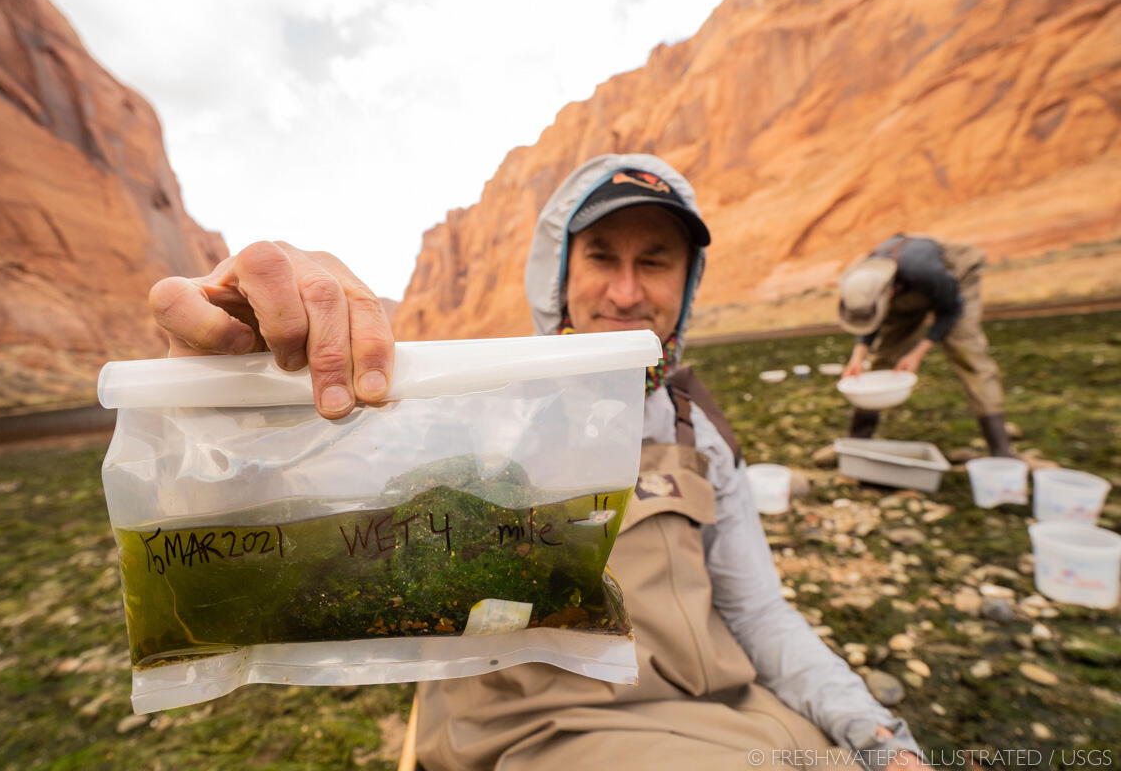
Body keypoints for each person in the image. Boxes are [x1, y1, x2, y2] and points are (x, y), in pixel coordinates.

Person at [149, 154, 929, 771]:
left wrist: (875, 733)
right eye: (601, 257)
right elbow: (283, 533)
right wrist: (241, 399)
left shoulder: (699, 429)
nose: (627, 292)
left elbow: (759, 613)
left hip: (741, 720)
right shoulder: (480, 415)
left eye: (655, 262)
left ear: (686, 288)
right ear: (558, 275)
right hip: (545, 735)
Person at [837, 233, 1011, 456]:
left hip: (954, 283)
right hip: (905, 290)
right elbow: (869, 320)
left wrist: (918, 353)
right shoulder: (863, 280)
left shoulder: (924, 271)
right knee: (884, 358)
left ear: (888, 293)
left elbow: (950, 310)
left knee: (967, 352)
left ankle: (1001, 451)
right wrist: (858, 356)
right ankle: (857, 444)